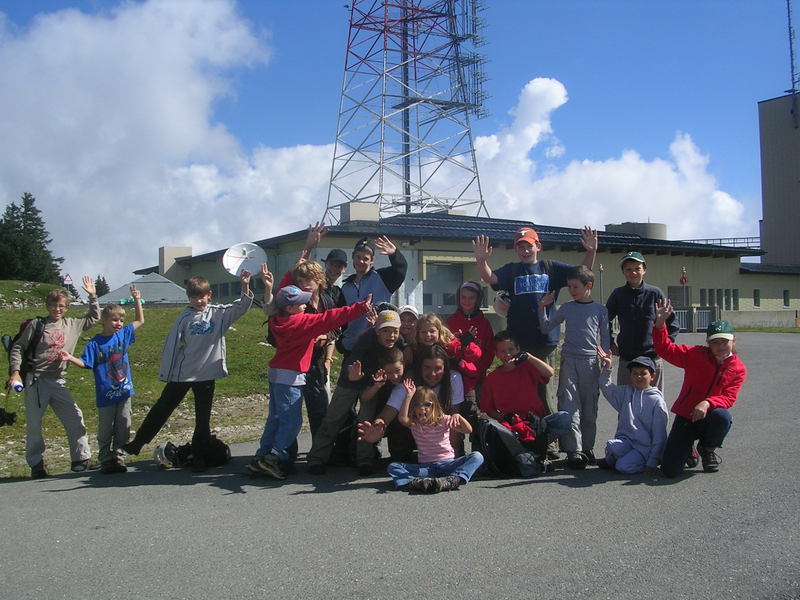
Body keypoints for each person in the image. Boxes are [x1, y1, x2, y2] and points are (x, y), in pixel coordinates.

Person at [122, 271, 253, 472]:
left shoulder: (218, 314)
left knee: (203, 418)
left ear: (209, 295)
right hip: (183, 373)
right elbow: (172, 345)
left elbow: (242, 306)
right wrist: (167, 372)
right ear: (188, 298)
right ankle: (138, 443)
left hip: (206, 375)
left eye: (202, 297)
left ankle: (199, 456)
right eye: (194, 297)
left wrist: (244, 285)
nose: (198, 301)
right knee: (163, 407)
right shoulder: (184, 317)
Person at [472, 225, 598, 421]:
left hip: (544, 341)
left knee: (543, 392)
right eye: (520, 247)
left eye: (529, 246)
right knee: (521, 390)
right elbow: (489, 277)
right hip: (518, 343)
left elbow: (583, 273)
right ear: (516, 249)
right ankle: (524, 430)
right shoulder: (512, 270)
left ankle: (550, 434)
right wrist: (481, 260)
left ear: (538, 246)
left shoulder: (550, 268)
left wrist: (591, 251)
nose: (525, 251)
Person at [250, 283, 373, 480]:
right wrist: (359, 308)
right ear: (290, 308)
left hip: (276, 374)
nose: (305, 305)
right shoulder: (302, 323)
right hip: (290, 376)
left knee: (275, 418)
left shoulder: (276, 319)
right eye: (301, 303)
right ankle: (273, 457)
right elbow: (331, 317)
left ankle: (262, 454)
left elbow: (275, 306)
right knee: (291, 422)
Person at [7, 276, 100, 478]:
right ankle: (36, 464)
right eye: (53, 305)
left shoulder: (72, 324)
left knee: (75, 417)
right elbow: (18, 347)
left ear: (66, 308)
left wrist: (92, 296)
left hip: (58, 380)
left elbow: (94, 317)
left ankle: (81, 460)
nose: (57, 309)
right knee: (34, 425)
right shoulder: (37, 325)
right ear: (47, 306)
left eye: (61, 306)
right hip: (36, 381)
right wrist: (15, 371)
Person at [653, 300, 746, 477]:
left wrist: (707, 403)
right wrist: (660, 324)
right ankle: (688, 448)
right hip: (686, 416)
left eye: (724, 342)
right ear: (708, 343)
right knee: (670, 471)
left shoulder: (738, 368)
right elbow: (665, 349)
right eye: (715, 342)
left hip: (709, 416)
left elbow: (729, 397)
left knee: (723, 417)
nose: (720, 347)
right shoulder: (695, 354)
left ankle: (707, 448)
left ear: (733, 341)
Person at [60, 285, 145, 474]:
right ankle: (106, 458)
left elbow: (140, 320)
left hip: (124, 391)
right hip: (105, 393)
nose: (119, 323)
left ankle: (119, 456)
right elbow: (86, 363)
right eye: (114, 320)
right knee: (106, 428)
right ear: (104, 320)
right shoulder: (95, 343)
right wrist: (70, 358)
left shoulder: (123, 335)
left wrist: (137, 299)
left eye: (121, 320)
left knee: (124, 425)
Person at [306, 309, 400, 475]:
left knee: (366, 419)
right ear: (377, 330)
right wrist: (352, 374)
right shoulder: (366, 338)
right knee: (334, 417)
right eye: (385, 330)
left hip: (372, 383)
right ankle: (317, 458)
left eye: (394, 331)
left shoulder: (400, 341)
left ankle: (364, 460)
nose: (391, 335)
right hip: (351, 380)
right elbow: (352, 361)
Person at [539, 265, 610, 468]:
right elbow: (546, 327)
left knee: (589, 408)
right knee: (569, 406)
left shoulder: (600, 310)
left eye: (575, 286)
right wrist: (542, 307)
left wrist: (606, 359)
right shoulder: (567, 308)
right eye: (569, 286)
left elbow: (605, 338)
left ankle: (587, 447)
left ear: (588, 286)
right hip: (569, 361)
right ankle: (573, 451)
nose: (571, 290)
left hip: (591, 363)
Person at [358, 344, 466, 463]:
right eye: (427, 368)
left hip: (443, 438)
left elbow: (454, 421)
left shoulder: (453, 378)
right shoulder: (408, 384)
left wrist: (452, 461)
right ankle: (405, 459)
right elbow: (386, 416)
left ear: (445, 368)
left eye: (438, 368)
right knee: (396, 462)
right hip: (415, 433)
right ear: (420, 368)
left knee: (474, 456)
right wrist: (378, 428)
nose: (432, 374)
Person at [377, 379, 483, 493]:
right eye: (418, 405)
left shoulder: (443, 420)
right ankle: (414, 483)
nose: (423, 408)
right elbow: (402, 418)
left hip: (448, 464)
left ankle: (454, 480)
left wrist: (458, 416)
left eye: (427, 404)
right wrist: (408, 396)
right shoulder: (415, 424)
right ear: (413, 408)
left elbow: (468, 430)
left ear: (434, 406)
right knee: (393, 466)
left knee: (477, 456)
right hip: (426, 468)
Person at [605, 251, 679, 391]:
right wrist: (610, 343)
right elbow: (604, 321)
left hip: (652, 358)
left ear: (644, 270)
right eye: (628, 269)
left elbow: (673, 323)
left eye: (637, 268)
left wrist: (665, 345)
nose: (633, 273)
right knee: (626, 399)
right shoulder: (618, 294)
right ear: (623, 272)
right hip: (628, 359)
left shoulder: (655, 293)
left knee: (653, 399)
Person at [596, 350, 668, 474]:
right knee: (612, 445)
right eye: (635, 374)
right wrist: (608, 367)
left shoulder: (656, 401)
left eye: (643, 373)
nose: (638, 377)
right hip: (627, 442)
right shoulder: (626, 392)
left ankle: (641, 462)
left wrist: (652, 462)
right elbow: (606, 387)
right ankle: (615, 459)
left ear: (652, 376)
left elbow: (659, 435)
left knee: (622, 466)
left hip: (643, 448)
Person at [338, 236, 407, 354]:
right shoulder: (346, 287)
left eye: (365, 259)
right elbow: (342, 319)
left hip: (377, 345)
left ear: (372, 260)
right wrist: (342, 342)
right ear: (353, 257)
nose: (361, 261)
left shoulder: (382, 278)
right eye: (358, 257)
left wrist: (394, 254)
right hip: (352, 347)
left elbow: (400, 270)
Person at [445, 281, 495, 391]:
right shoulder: (451, 321)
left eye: (471, 298)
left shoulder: (484, 324)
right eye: (463, 297)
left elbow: (490, 351)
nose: (467, 301)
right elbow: (446, 348)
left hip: (478, 378)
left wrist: (477, 370)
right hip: (455, 377)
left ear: (478, 299)